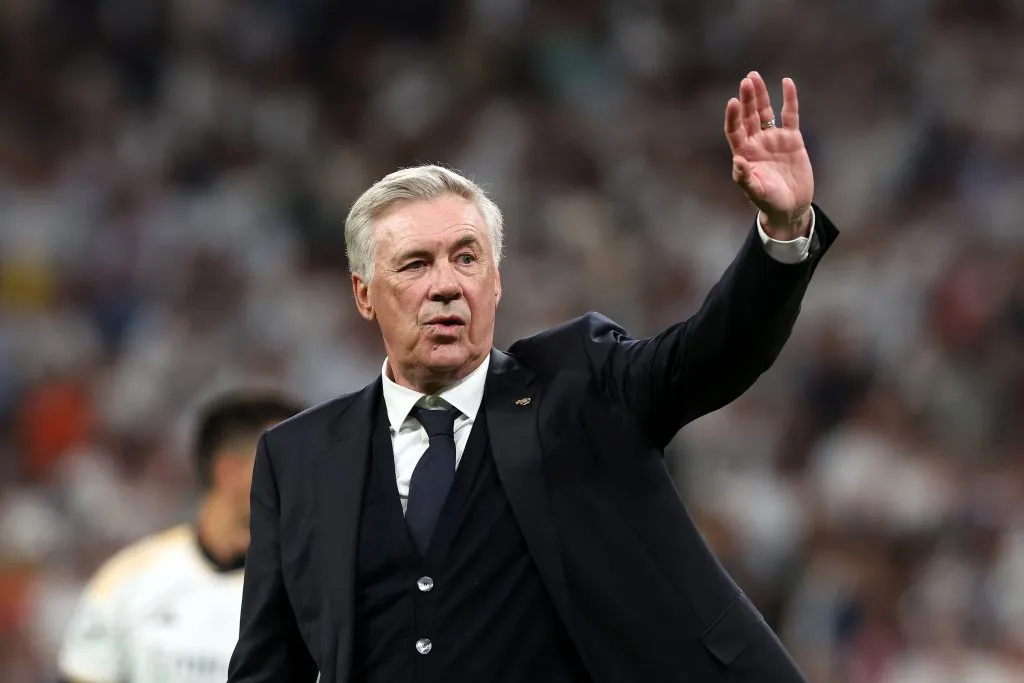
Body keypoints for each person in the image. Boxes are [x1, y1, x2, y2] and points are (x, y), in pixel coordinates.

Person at [228, 72, 836, 683]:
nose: (447, 285)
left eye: (467, 258)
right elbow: (268, 665)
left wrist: (782, 235)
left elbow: (712, 354)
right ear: (364, 294)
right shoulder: (296, 457)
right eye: (416, 264)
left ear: (495, 281)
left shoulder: (580, 383)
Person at [57, 389, 306, 683]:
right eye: (291, 461)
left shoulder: (319, 589)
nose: (308, 477)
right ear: (230, 472)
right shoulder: (127, 583)